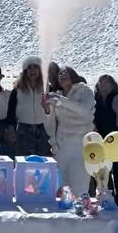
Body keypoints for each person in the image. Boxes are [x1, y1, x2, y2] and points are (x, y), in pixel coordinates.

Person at [45, 66, 96, 197]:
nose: (62, 74)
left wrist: (61, 100)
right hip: (62, 149)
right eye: (60, 73)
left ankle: (81, 215)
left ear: (73, 74)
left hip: (79, 148)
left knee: (79, 189)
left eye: (65, 72)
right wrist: (47, 110)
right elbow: (50, 125)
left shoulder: (85, 91)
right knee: (61, 190)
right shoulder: (58, 96)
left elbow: (85, 112)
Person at [5, 57, 51, 156]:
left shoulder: (48, 87)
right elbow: (11, 112)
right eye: (29, 68)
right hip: (24, 130)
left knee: (43, 160)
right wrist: (11, 129)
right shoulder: (18, 89)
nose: (32, 70)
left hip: (44, 129)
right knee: (26, 161)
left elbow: (54, 110)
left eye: (36, 67)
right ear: (25, 71)